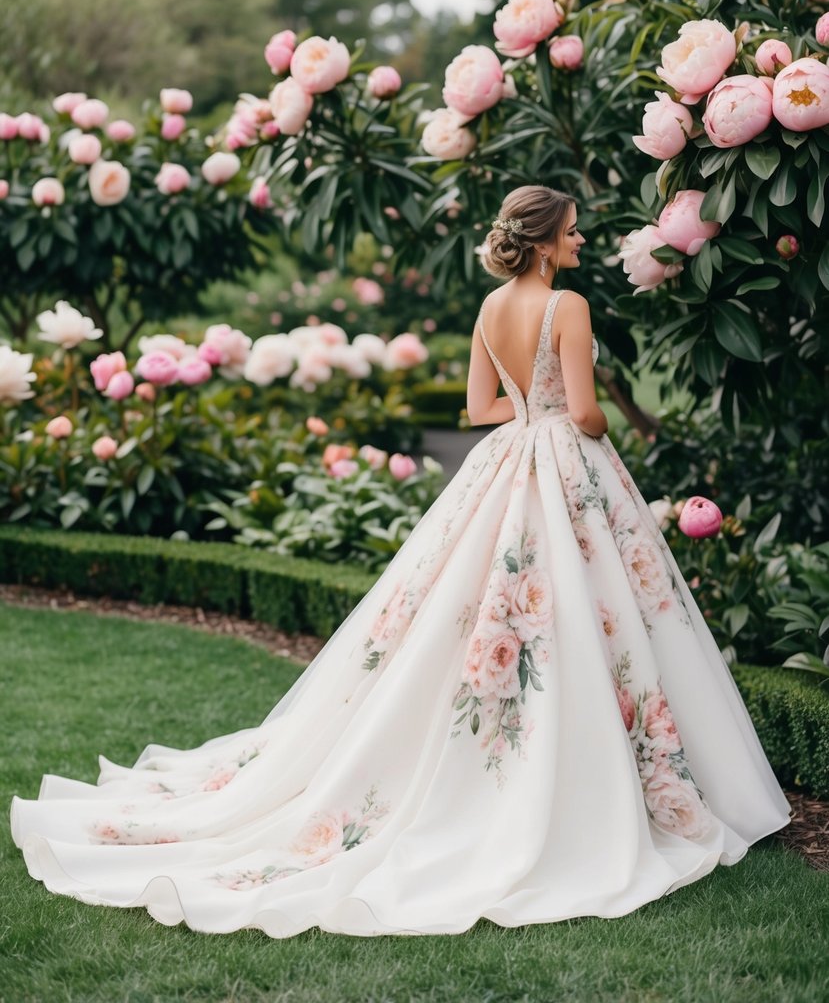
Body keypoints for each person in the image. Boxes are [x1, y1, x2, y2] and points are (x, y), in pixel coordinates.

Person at [11, 184, 791, 938]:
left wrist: (525, 412)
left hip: (506, 455)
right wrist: (565, 421)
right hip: (563, 458)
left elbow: (481, 408)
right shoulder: (569, 306)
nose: (581, 240)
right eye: (573, 230)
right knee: (599, 612)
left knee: (470, 601)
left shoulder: (490, 308)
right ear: (545, 241)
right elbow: (586, 410)